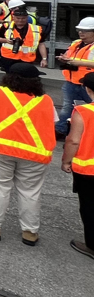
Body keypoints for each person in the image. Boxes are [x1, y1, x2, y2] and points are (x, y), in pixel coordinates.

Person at [0, 63, 56, 246]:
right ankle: (30, 232)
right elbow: (51, 123)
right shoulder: (46, 100)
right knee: (30, 191)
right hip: (35, 153)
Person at [62, 72, 94, 260]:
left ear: (87, 89)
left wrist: (66, 161)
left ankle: (92, 246)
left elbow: (73, 141)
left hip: (88, 170)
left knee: (89, 207)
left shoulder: (83, 112)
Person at [54, 17, 94, 138]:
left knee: (90, 108)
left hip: (89, 84)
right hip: (71, 82)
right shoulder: (75, 43)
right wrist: (64, 59)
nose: (81, 32)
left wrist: (77, 62)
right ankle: (61, 130)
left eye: (85, 30)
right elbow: (68, 55)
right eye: (80, 30)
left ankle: (87, 131)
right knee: (67, 107)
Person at [0, 7, 47, 72]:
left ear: (27, 18)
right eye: (18, 18)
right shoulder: (6, 26)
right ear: (13, 17)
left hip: (27, 59)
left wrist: (44, 59)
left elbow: (41, 44)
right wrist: (6, 40)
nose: (20, 20)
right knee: (9, 78)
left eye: (23, 18)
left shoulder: (37, 29)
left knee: (24, 79)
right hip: (9, 58)